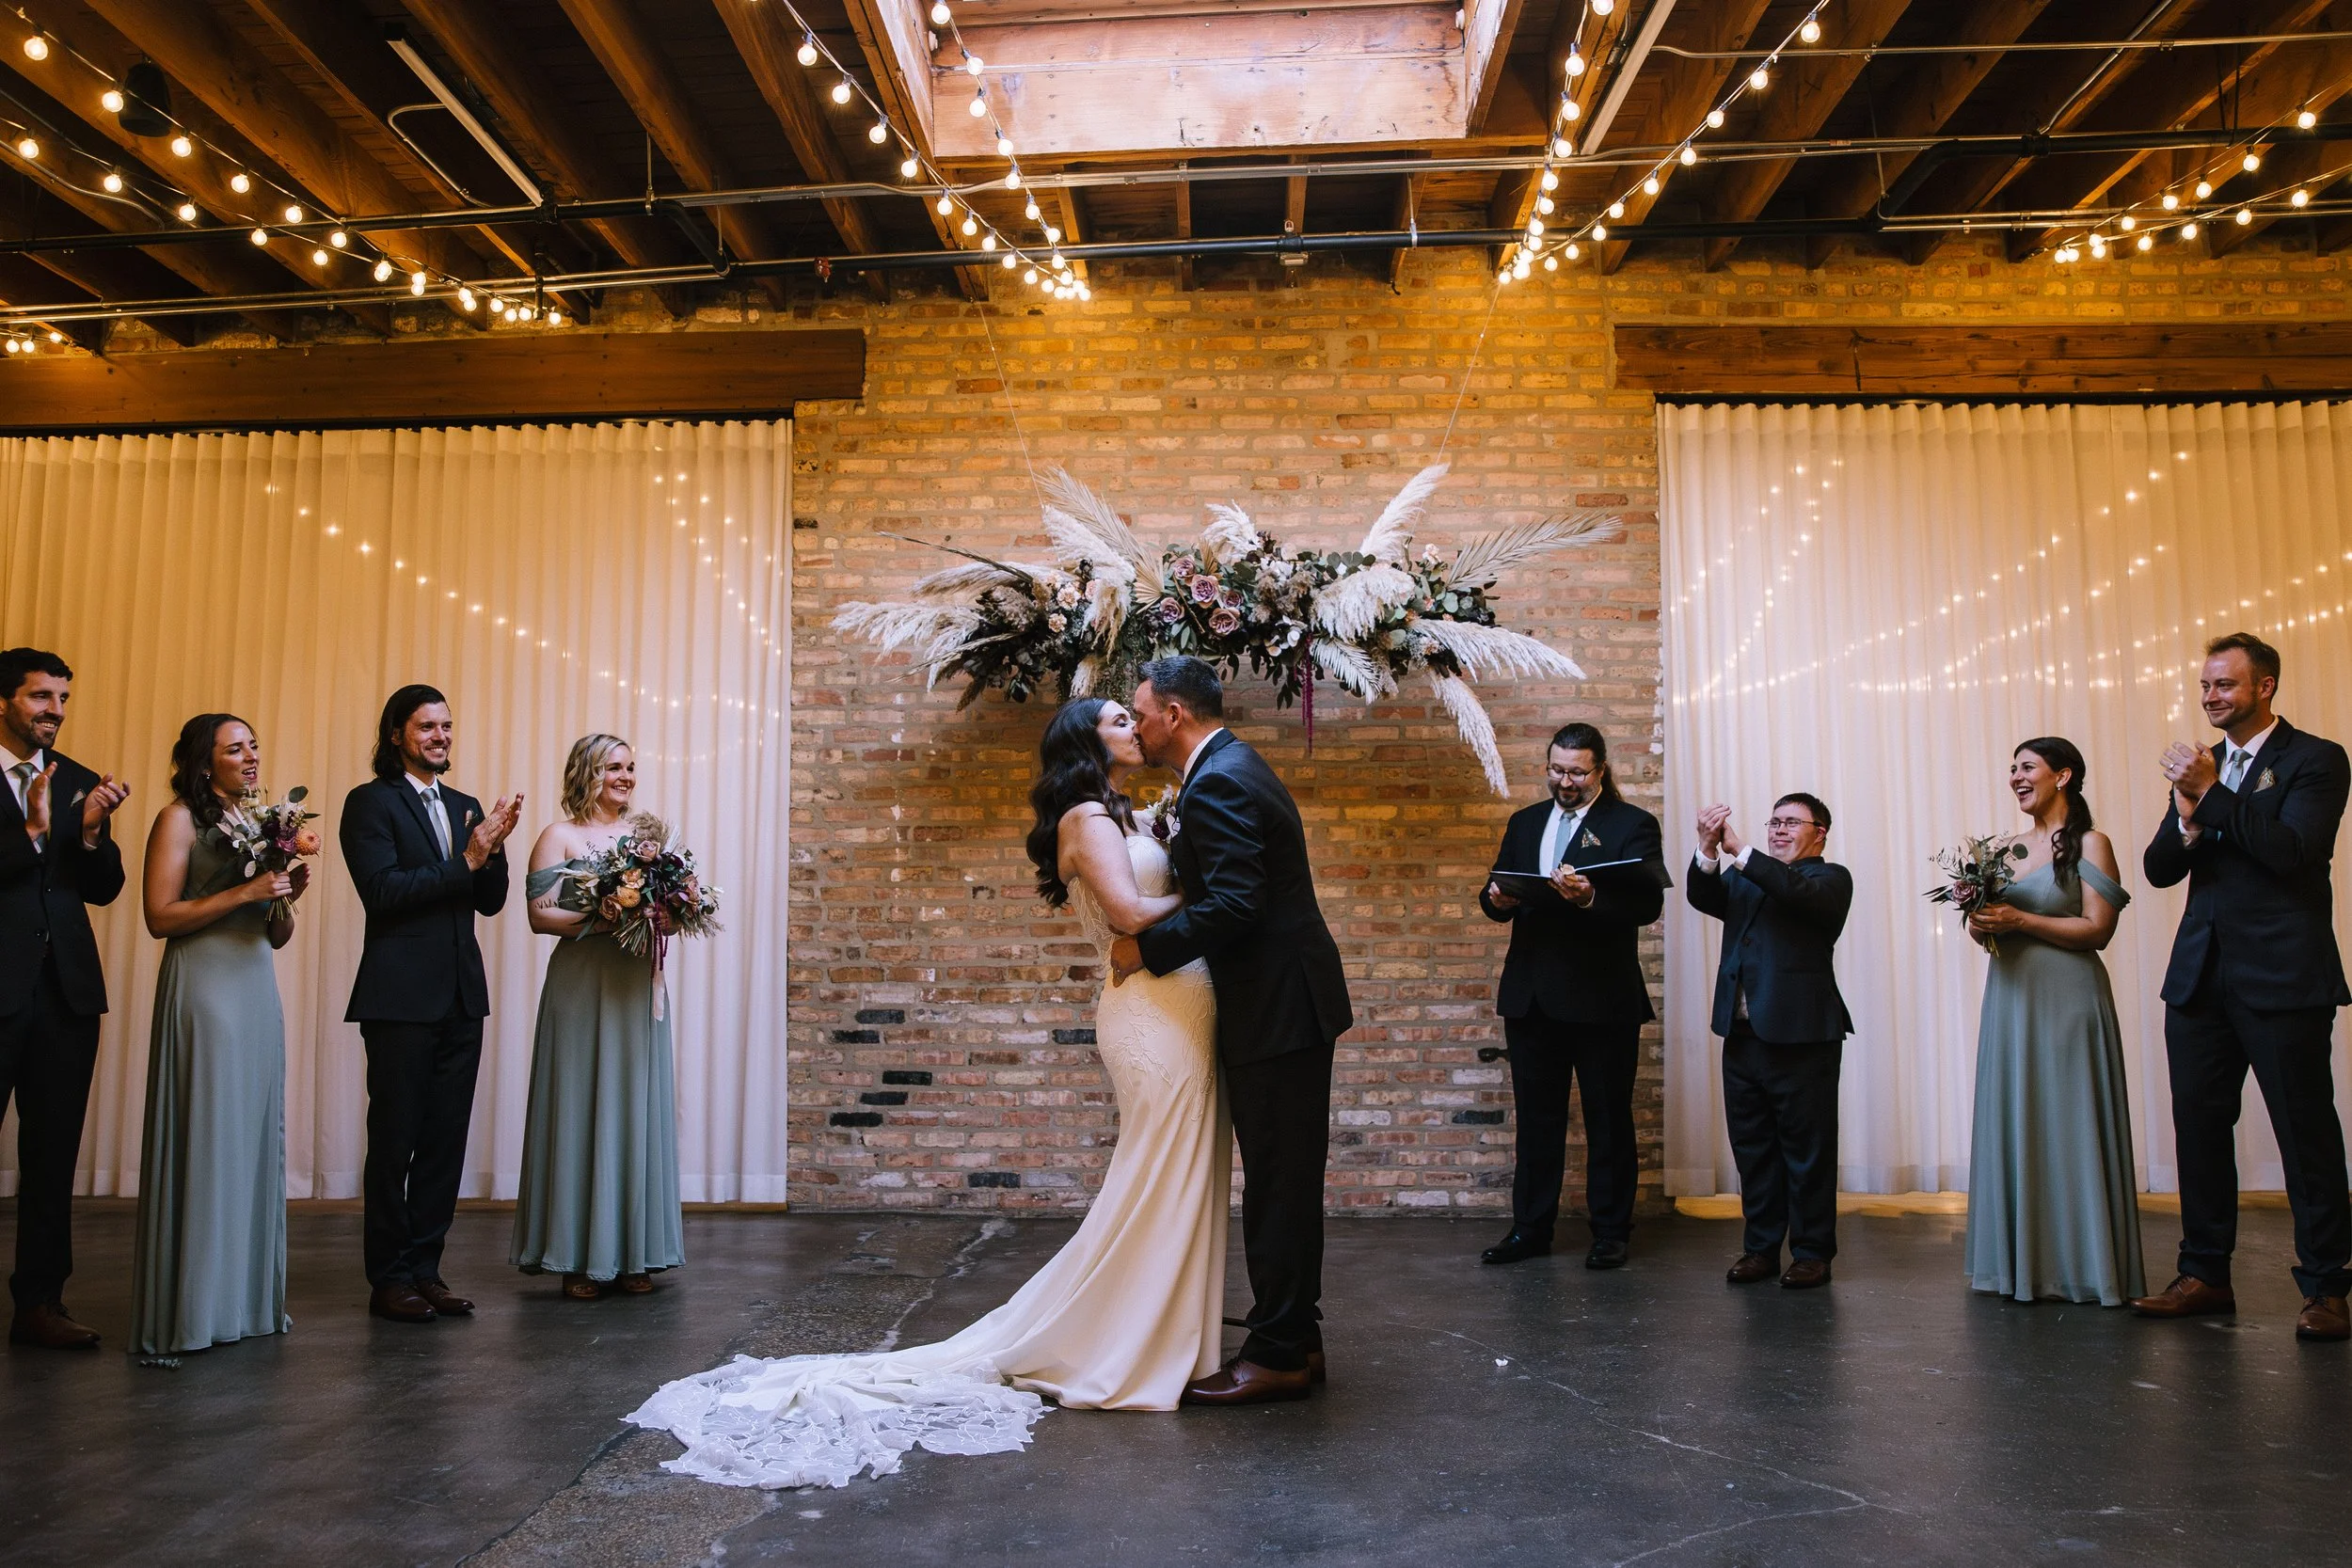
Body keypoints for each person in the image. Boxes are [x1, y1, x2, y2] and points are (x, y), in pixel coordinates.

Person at [627, 695, 1231, 1486]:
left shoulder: (1121, 811)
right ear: (1087, 744)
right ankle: (1123, 1343)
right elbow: (1129, 915)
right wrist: (1223, 892)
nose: (1135, 727)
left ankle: (1163, 1335)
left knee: (1177, 1178)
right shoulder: (1085, 816)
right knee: (1153, 1178)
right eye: (1119, 720)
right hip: (1149, 1016)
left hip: (1178, 1006)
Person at [1114, 656, 1351, 1403]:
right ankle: (1298, 1337)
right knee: (1287, 1180)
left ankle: (1278, 1351)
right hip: (1291, 1000)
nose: (1139, 727)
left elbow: (1238, 904)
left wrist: (1143, 949)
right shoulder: (1231, 765)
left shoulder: (1217, 780)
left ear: (1174, 715)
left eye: (1141, 713)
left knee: (1278, 1183)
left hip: (1277, 1006)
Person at [2135, 633, 2352, 1340]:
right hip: (2199, 976)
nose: (2210, 696)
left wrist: (2210, 792)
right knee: (2199, 1131)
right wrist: (2190, 821)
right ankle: (2204, 1274)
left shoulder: (2315, 760)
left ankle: (2326, 1287)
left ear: (2265, 687)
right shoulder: (2205, 768)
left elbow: (2293, 853)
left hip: (2284, 977)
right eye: (2205, 685)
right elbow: (2160, 868)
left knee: (2305, 1133)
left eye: (2225, 684)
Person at [340, 685, 520, 1325]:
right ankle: (388, 1278)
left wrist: (493, 847)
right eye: (426, 726)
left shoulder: (465, 804)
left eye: (447, 725)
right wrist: (467, 857)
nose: (440, 736)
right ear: (396, 734)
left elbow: (489, 900)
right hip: (398, 998)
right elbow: (383, 891)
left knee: (445, 1141)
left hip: (461, 996)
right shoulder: (369, 803)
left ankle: (426, 1269)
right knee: (395, 1142)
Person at [130, 715, 310, 1354]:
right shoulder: (179, 818)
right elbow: (159, 916)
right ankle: (193, 1310)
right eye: (236, 748)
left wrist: (281, 895)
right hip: (205, 988)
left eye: (254, 744)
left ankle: (244, 1303)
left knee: (251, 1137)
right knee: (207, 1135)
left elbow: (275, 932)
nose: (251, 756)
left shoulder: (264, 825)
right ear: (205, 763)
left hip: (255, 984)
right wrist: (248, 889)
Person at [1961, 738, 2145, 1307]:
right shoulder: (2003, 850)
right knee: (2019, 1118)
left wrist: (2019, 917)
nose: (2015, 776)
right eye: (2010, 767)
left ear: (2062, 776)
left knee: (2071, 1120)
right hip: (2011, 1000)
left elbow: (2098, 930)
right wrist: (1982, 919)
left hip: (2069, 1001)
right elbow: (1984, 932)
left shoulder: (2092, 842)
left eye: (2027, 767)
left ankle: (2084, 1267)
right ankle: (2020, 1265)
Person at [1478, 723, 1667, 1270]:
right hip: (1532, 998)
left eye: (1577, 773)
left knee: (1609, 1119)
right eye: (1557, 770)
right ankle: (1530, 1229)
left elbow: (1646, 906)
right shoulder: (1525, 822)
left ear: (1600, 771)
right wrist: (1496, 900)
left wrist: (1589, 898)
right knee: (1537, 1122)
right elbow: (1497, 893)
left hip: (1602, 999)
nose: (1565, 781)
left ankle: (1611, 1231)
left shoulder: (1632, 824)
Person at [511, 735, 685, 1299]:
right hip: (582, 984)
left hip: (636, 982)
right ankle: (577, 1257)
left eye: (632, 767)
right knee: (580, 1106)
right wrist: (605, 916)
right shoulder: (558, 835)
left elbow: (670, 907)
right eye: (615, 767)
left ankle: (636, 1253)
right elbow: (540, 915)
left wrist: (674, 911)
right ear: (588, 772)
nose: (626, 776)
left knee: (634, 1108)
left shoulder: (647, 840)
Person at [0, 648, 129, 1350]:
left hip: (65, 993)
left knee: (52, 1159)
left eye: (62, 698)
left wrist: (84, 832)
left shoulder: (77, 778)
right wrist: (31, 832)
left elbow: (103, 886)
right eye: (40, 696)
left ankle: (40, 1304)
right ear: (4, 700)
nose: (55, 710)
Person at [1687, 793, 1852, 1290]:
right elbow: (1704, 896)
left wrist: (1740, 848)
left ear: (1819, 832)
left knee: (1807, 1151)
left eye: (1791, 823)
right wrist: (1708, 847)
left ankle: (1812, 1252)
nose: (1779, 830)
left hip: (1803, 1037)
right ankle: (1760, 1248)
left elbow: (1794, 894)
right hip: (1741, 1036)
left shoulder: (1828, 878)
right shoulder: (1744, 875)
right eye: (1774, 822)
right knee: (1753, 1149)